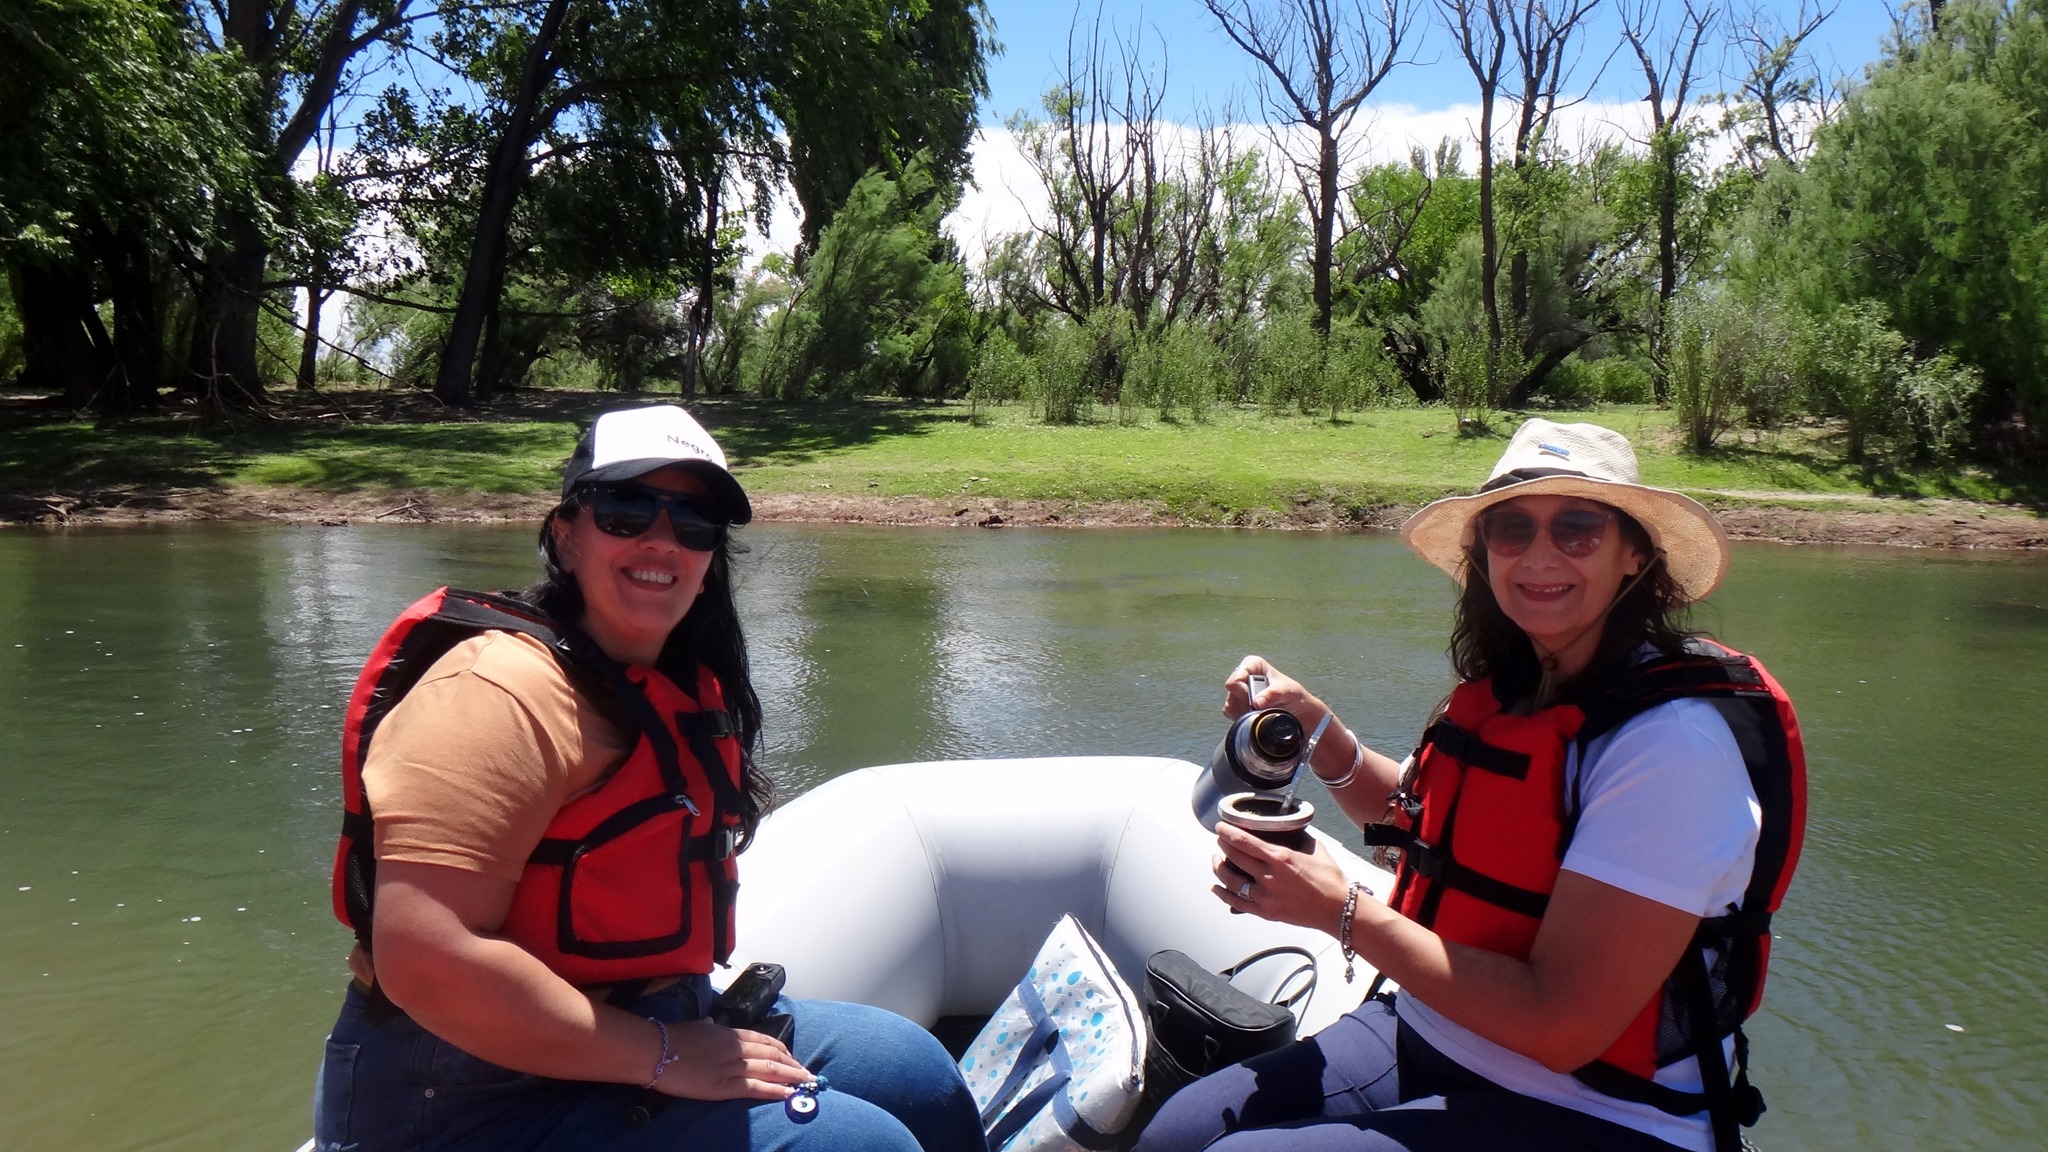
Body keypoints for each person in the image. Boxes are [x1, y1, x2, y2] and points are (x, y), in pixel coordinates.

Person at [313, 404, 987, 1152]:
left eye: (695, 522)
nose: (662, 540)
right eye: (628, 509)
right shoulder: (496, 694)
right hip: (462, 1090)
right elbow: (427, 960)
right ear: (565, 532)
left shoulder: (669, 679)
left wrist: (667, 1039)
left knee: (912, 1073)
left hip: (650, 1018)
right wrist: (661, 1057)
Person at [1137, 419, 1805, 1152]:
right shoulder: (1522, 687)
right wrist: (1317, 727)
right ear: (1484, 554)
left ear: (1634, 555)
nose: (1539, 554)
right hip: (1435, 1034)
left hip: (1599, 1111)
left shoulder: (1672, 747)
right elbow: (1420, 827)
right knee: (1178, 1133)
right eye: (1511, 530)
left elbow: (1561, 1026)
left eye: (1577, 528)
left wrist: (1343, 911)